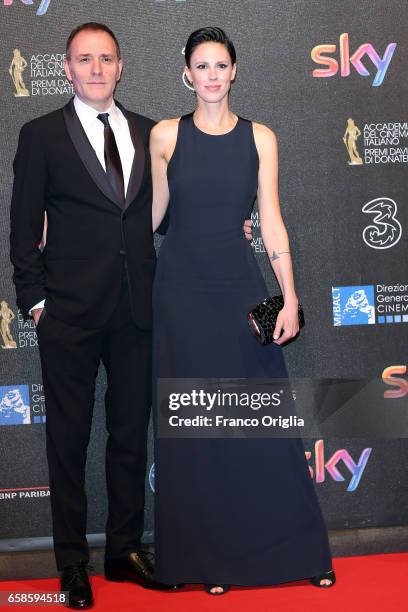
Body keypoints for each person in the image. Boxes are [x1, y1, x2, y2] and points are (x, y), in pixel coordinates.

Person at [150, 27, 335, 595]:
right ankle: (208, 560)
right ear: (186, 72)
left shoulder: (261, 139)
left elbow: (272, 220)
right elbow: (153, 217)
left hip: (237, 289)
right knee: (197, 429)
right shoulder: (163, 136)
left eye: (220, 64)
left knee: (261, 424)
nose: (210, 74)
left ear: (234, 71)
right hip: (180, 295)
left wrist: (292, 294)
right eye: (200, 65)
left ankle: (298, 551)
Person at [10, 22, 176, 609]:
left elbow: (163, 214)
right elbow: (23, 231)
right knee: (68, 440)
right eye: (85, 59)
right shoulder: (41, 136)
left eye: (107, 58)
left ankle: (125, 551)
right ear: (68, 67)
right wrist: (36, 303)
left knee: (130, 435)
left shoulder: (150, 133)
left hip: (136, 311)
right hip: (70, 316)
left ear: (121, 65)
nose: (97, 68)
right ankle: (72, 562)